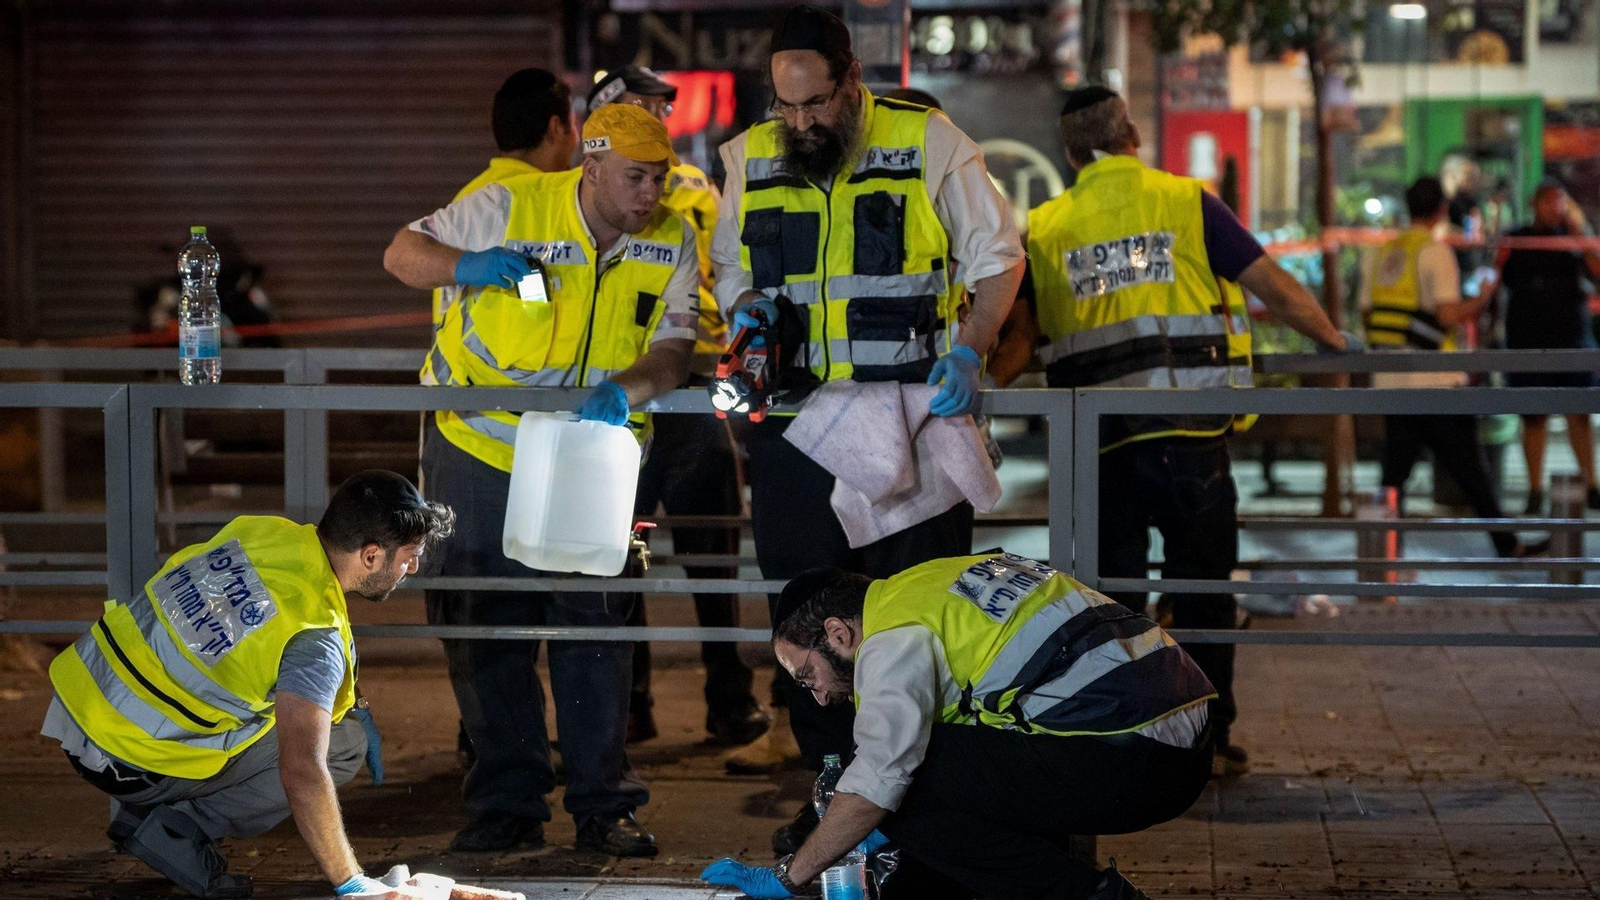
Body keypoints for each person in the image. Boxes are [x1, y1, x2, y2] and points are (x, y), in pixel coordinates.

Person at [710, 4, 1025, 851]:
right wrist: (745, 326)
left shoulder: (931, 141)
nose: (802, 123)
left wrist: (971, 348)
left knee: (917, 613)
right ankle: (834, 804)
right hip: (798, 428)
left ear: (852, 82)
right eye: (788, 108)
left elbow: (998, 257)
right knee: (808, 623)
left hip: (913, 420)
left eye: (816, 104)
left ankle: (933, 808)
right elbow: (731, 270)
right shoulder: (746, 157)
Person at [1002, 85, 1351, 779]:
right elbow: (1273, 285)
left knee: (1109, 599)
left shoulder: (1043, 227)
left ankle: (1121, 737)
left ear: (1071, 154)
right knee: (1202, 589)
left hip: (1099, 446)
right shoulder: (1187, 202)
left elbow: (1017, 340)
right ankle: (1206, 742)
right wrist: (1336, 345)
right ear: (1132, 134)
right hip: (1191, 435)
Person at [382, 103, 700, 857]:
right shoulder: (508, 205)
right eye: (634, 178)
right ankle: (506, 804)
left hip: (591, 458)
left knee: (593, 628)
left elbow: (678, 346)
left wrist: (631, 387)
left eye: (658, 177)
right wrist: (467, 265)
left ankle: (603, 807)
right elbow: (401, 254)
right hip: (480, 451)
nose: (649, 193)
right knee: (484, 628)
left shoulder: (673, 236)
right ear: (589, 168)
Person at [700, 554, 1216, 900]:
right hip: (1183, 734)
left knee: (904, 787)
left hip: (1134, 755)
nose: (817, 696)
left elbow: (879, 780)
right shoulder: (928, 584)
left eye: (807, 674)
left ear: (838, 632)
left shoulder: (891, 637)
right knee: (948, 770)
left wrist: (790, 876)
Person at [40, 471, 454, 900]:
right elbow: (302, 770)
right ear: (370, 556)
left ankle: (153, 816)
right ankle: (179, 829)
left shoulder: (262, 530)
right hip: (130, 758)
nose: (414, 567)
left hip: (79, 703)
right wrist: (352, 882)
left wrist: (352, 696)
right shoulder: (315, 634)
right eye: (409, 555)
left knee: (292, 710)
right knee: (340, 745)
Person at [586, 65, 768, 747]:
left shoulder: (682, 186)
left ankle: (696, 700)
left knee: (683, 549)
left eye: (659, 107)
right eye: (642, 106)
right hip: (647, 393)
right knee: (644, 552)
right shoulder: (671, 186)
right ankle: (675, 701)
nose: (657, 118)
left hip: (679, 386)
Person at [1365, 177, 1550, 557]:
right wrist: (1481, 298)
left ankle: (1383, 556)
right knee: (1471, 471)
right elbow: (1448, 314)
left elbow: (1368, 311)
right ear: (1440, 210)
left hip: (1390, 379)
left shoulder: (1383, 253)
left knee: (1394, 476)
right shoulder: (1435, 253)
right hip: (1436, 380)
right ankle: (1506, 543)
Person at [422, 68, 578, 386]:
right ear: (555, 128)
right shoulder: (551, 202)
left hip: (447, 391)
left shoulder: (471, 197)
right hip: (502, 399)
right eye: (574, 126)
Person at [1479, 180, 1600, 514]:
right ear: (1534, 203)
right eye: (1548, 201)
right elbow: (1492, 277)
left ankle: (1591, 484)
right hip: (1528, 335)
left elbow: (1598, 271)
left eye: (1560, 201)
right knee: (1533, 416)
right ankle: (1535, 489)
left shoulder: (1574, 239)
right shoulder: (1517, 238)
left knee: (1580, 412)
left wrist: (1580, 231)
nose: (1554, 208)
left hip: (1572, 336)